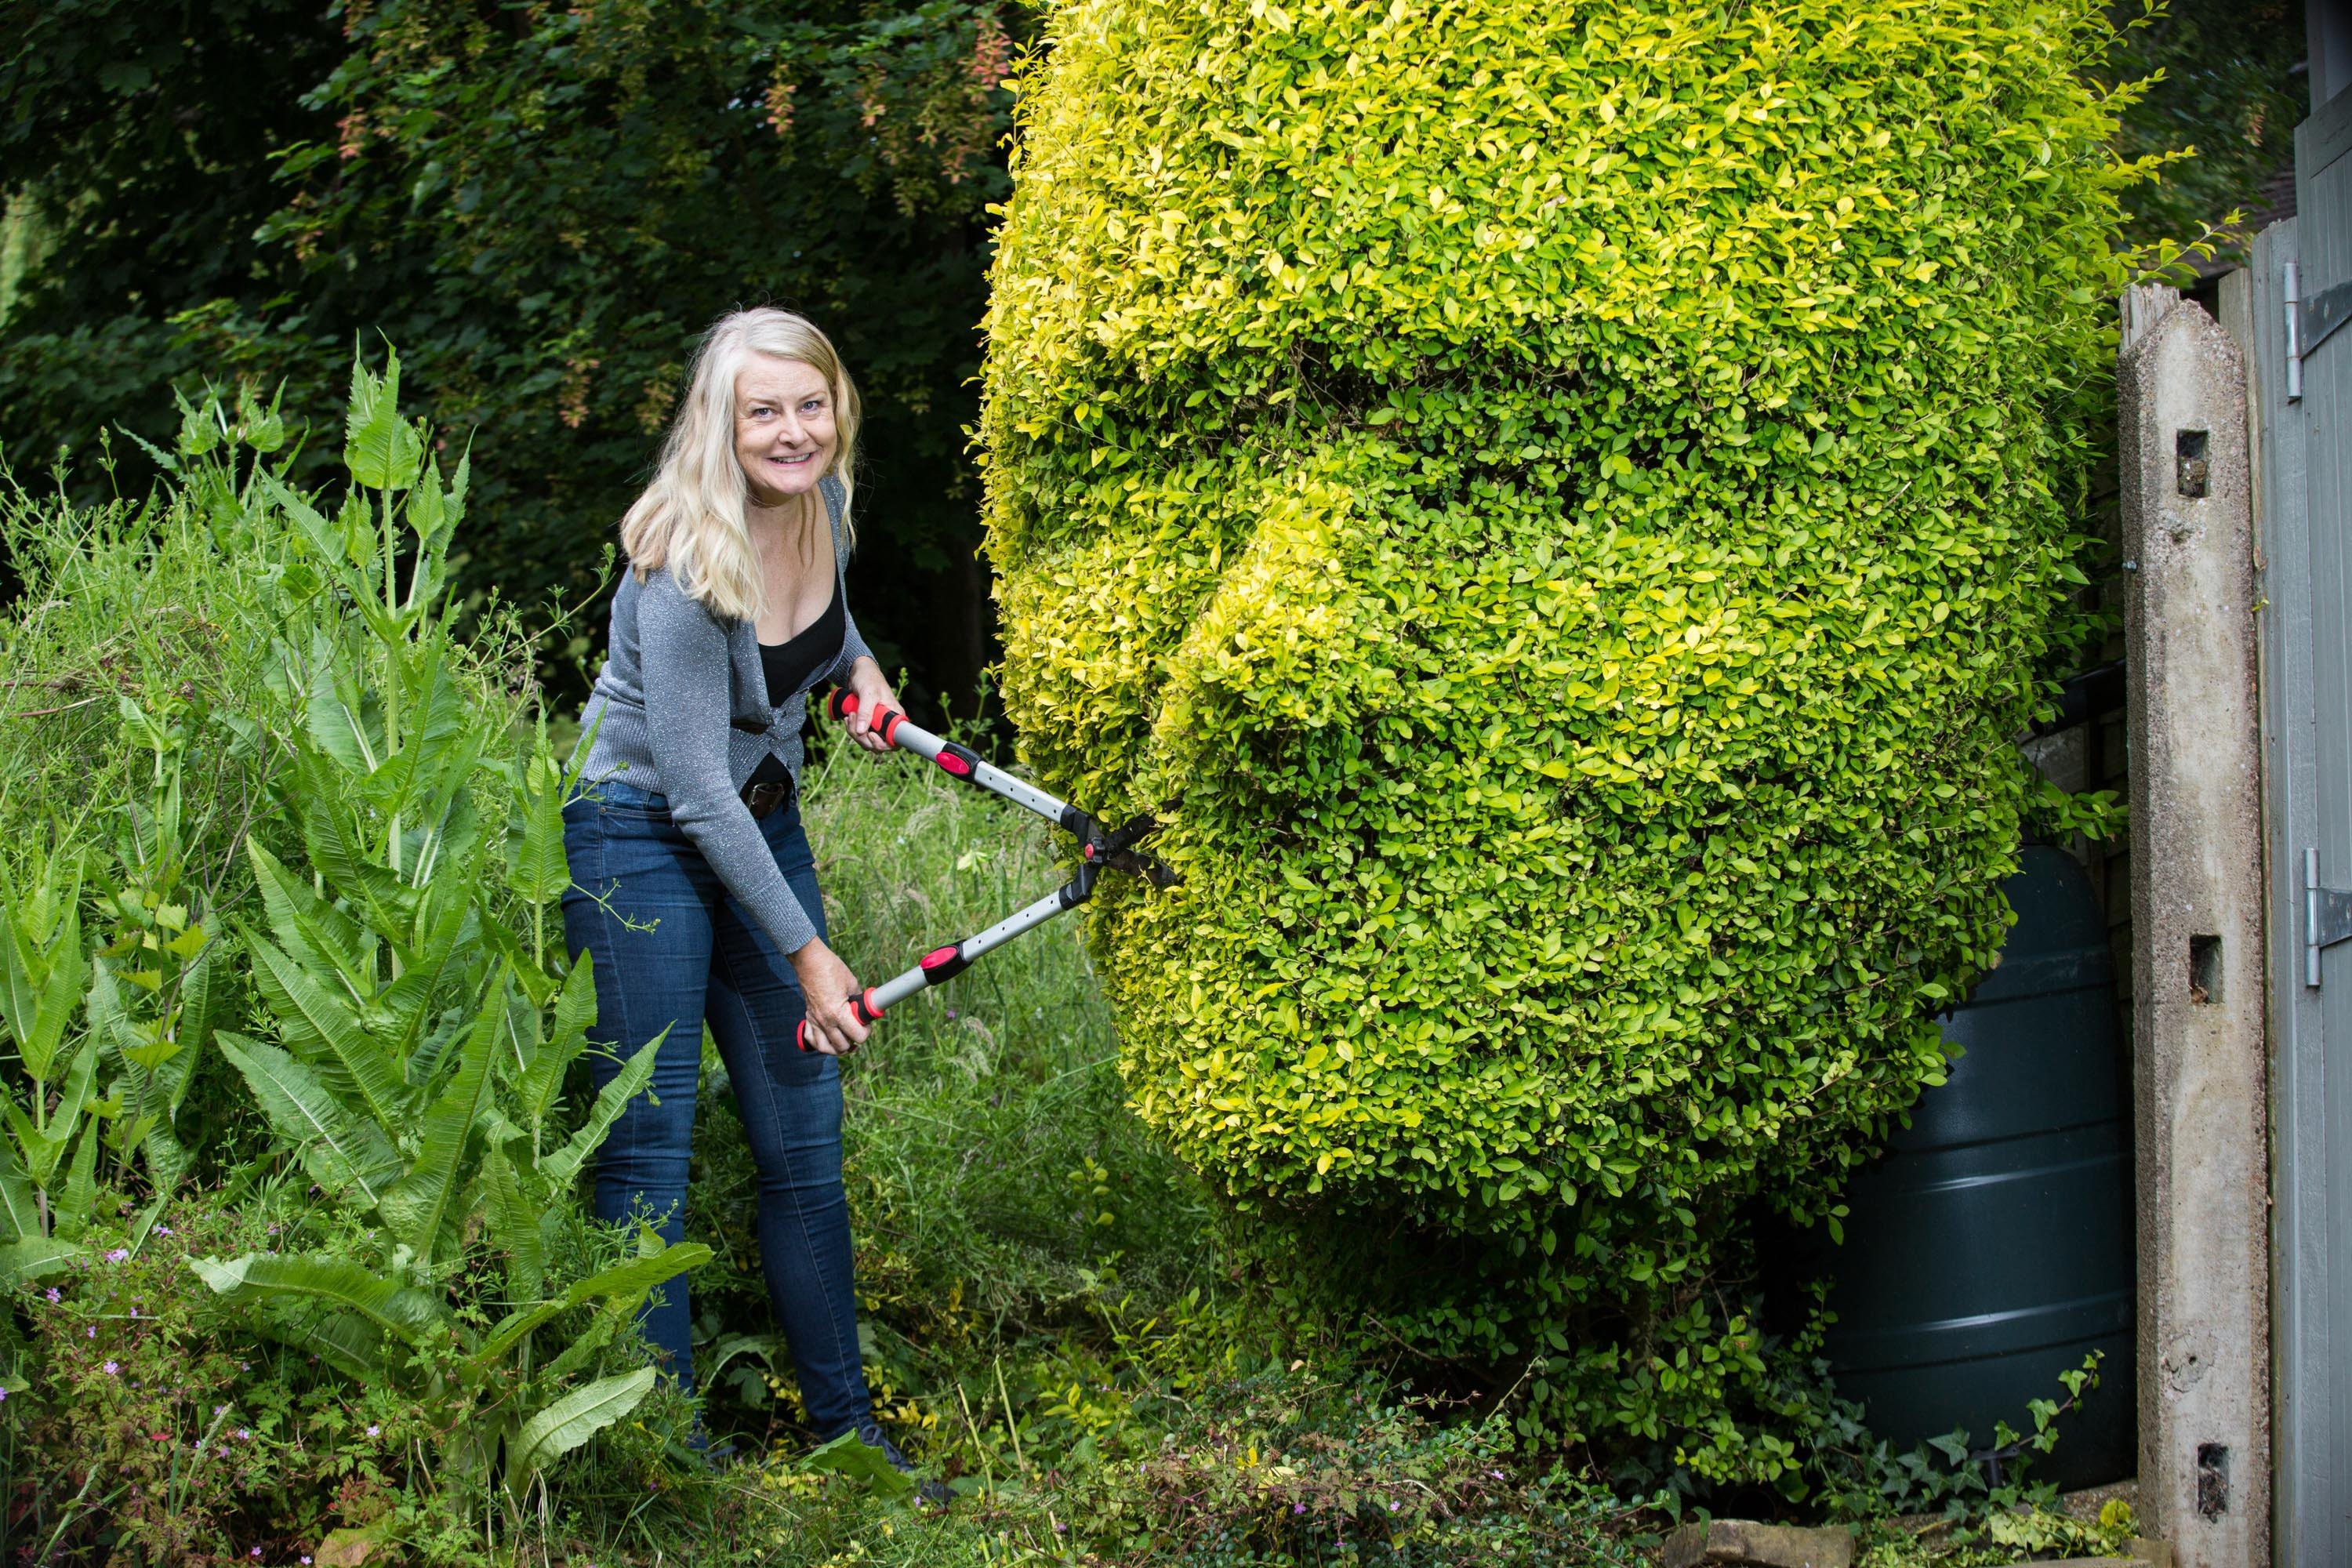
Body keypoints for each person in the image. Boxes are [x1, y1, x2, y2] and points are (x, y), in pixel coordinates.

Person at [563, 307, 906, 1466]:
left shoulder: (828, 506)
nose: (792, 430)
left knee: (803, 1148)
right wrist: (809, 954)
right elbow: (696, 790)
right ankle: (666, 1452)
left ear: (836, 410)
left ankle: (849, 1441)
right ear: (722, 423)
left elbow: (834, 628)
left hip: (760, 826)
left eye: (811, 405)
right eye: (764, 411)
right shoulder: (681, 564)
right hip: (640, 837)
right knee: (646, 1148)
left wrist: (866, 681)